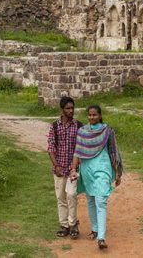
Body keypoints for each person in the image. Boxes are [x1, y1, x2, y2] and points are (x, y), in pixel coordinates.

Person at [71, 104, 123, 250]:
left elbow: (113, 152)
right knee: (91, 200)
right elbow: (77, 151)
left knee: (101, 201)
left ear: (100, 116)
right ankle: (94, 229)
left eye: (94, 115)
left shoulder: (107, 131)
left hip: (103, 169)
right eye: (90, 115)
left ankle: (101, 237)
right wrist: (73, 169)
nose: (92, 117)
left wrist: (117, 172)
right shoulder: (82, 131)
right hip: (87, 169)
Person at [47, 95, 82, 239]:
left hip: (73, 169)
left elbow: (81, 148)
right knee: (61, 197)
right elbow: (51, 148)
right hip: (59, 169)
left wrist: (75, 166)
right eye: (68, 108)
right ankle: (64, 225)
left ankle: (73, 224)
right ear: (62, 110)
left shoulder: (79, 126)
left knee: (72, 195)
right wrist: (56, 165)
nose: (71, 111)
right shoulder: (55, 126)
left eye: (72, 108)